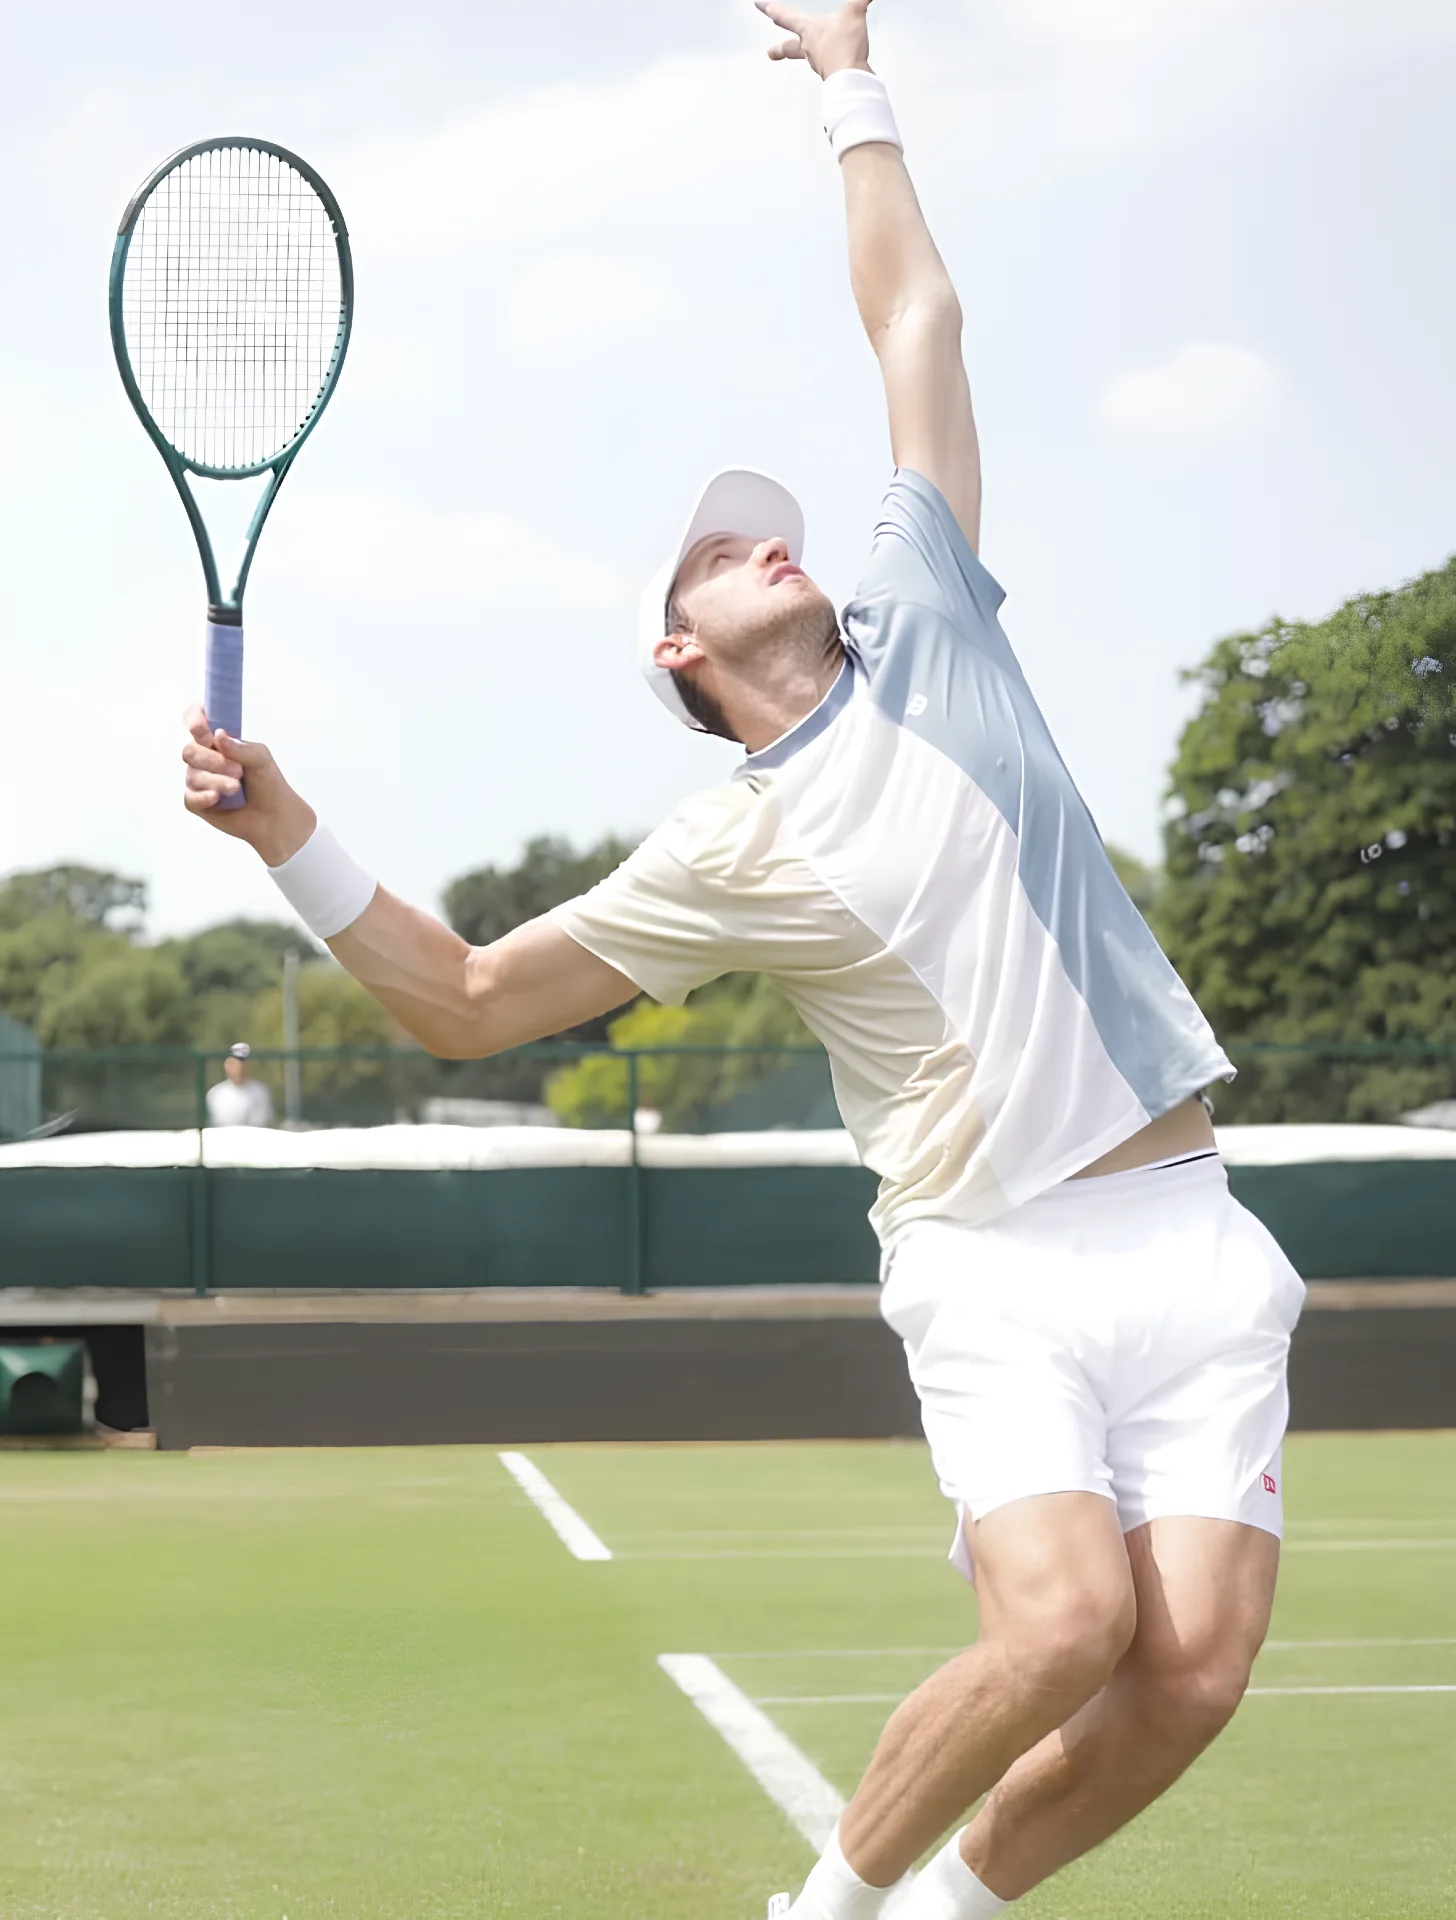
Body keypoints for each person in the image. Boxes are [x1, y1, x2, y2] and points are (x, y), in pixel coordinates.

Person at [179, 3, 1304, 1913]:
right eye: (717, 554)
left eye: (765, 537)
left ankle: (937, 1914)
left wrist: (850, 74)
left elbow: (916, 326)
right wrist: (291, 832)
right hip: (994, 1258)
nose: (764, 547)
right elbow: (457, 1001)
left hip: (1194, 1231)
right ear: (678, 653)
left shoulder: (930, 612)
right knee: (1059, 1630)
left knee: (1185, 1677)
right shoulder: (729, 847)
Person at [204, 1043, 275, 1128]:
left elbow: (261, 1122)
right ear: (227, 1066)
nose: (239, 1069)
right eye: (235, 1064)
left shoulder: (260, 1091)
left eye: (243, 1064)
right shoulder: (216, 1094)